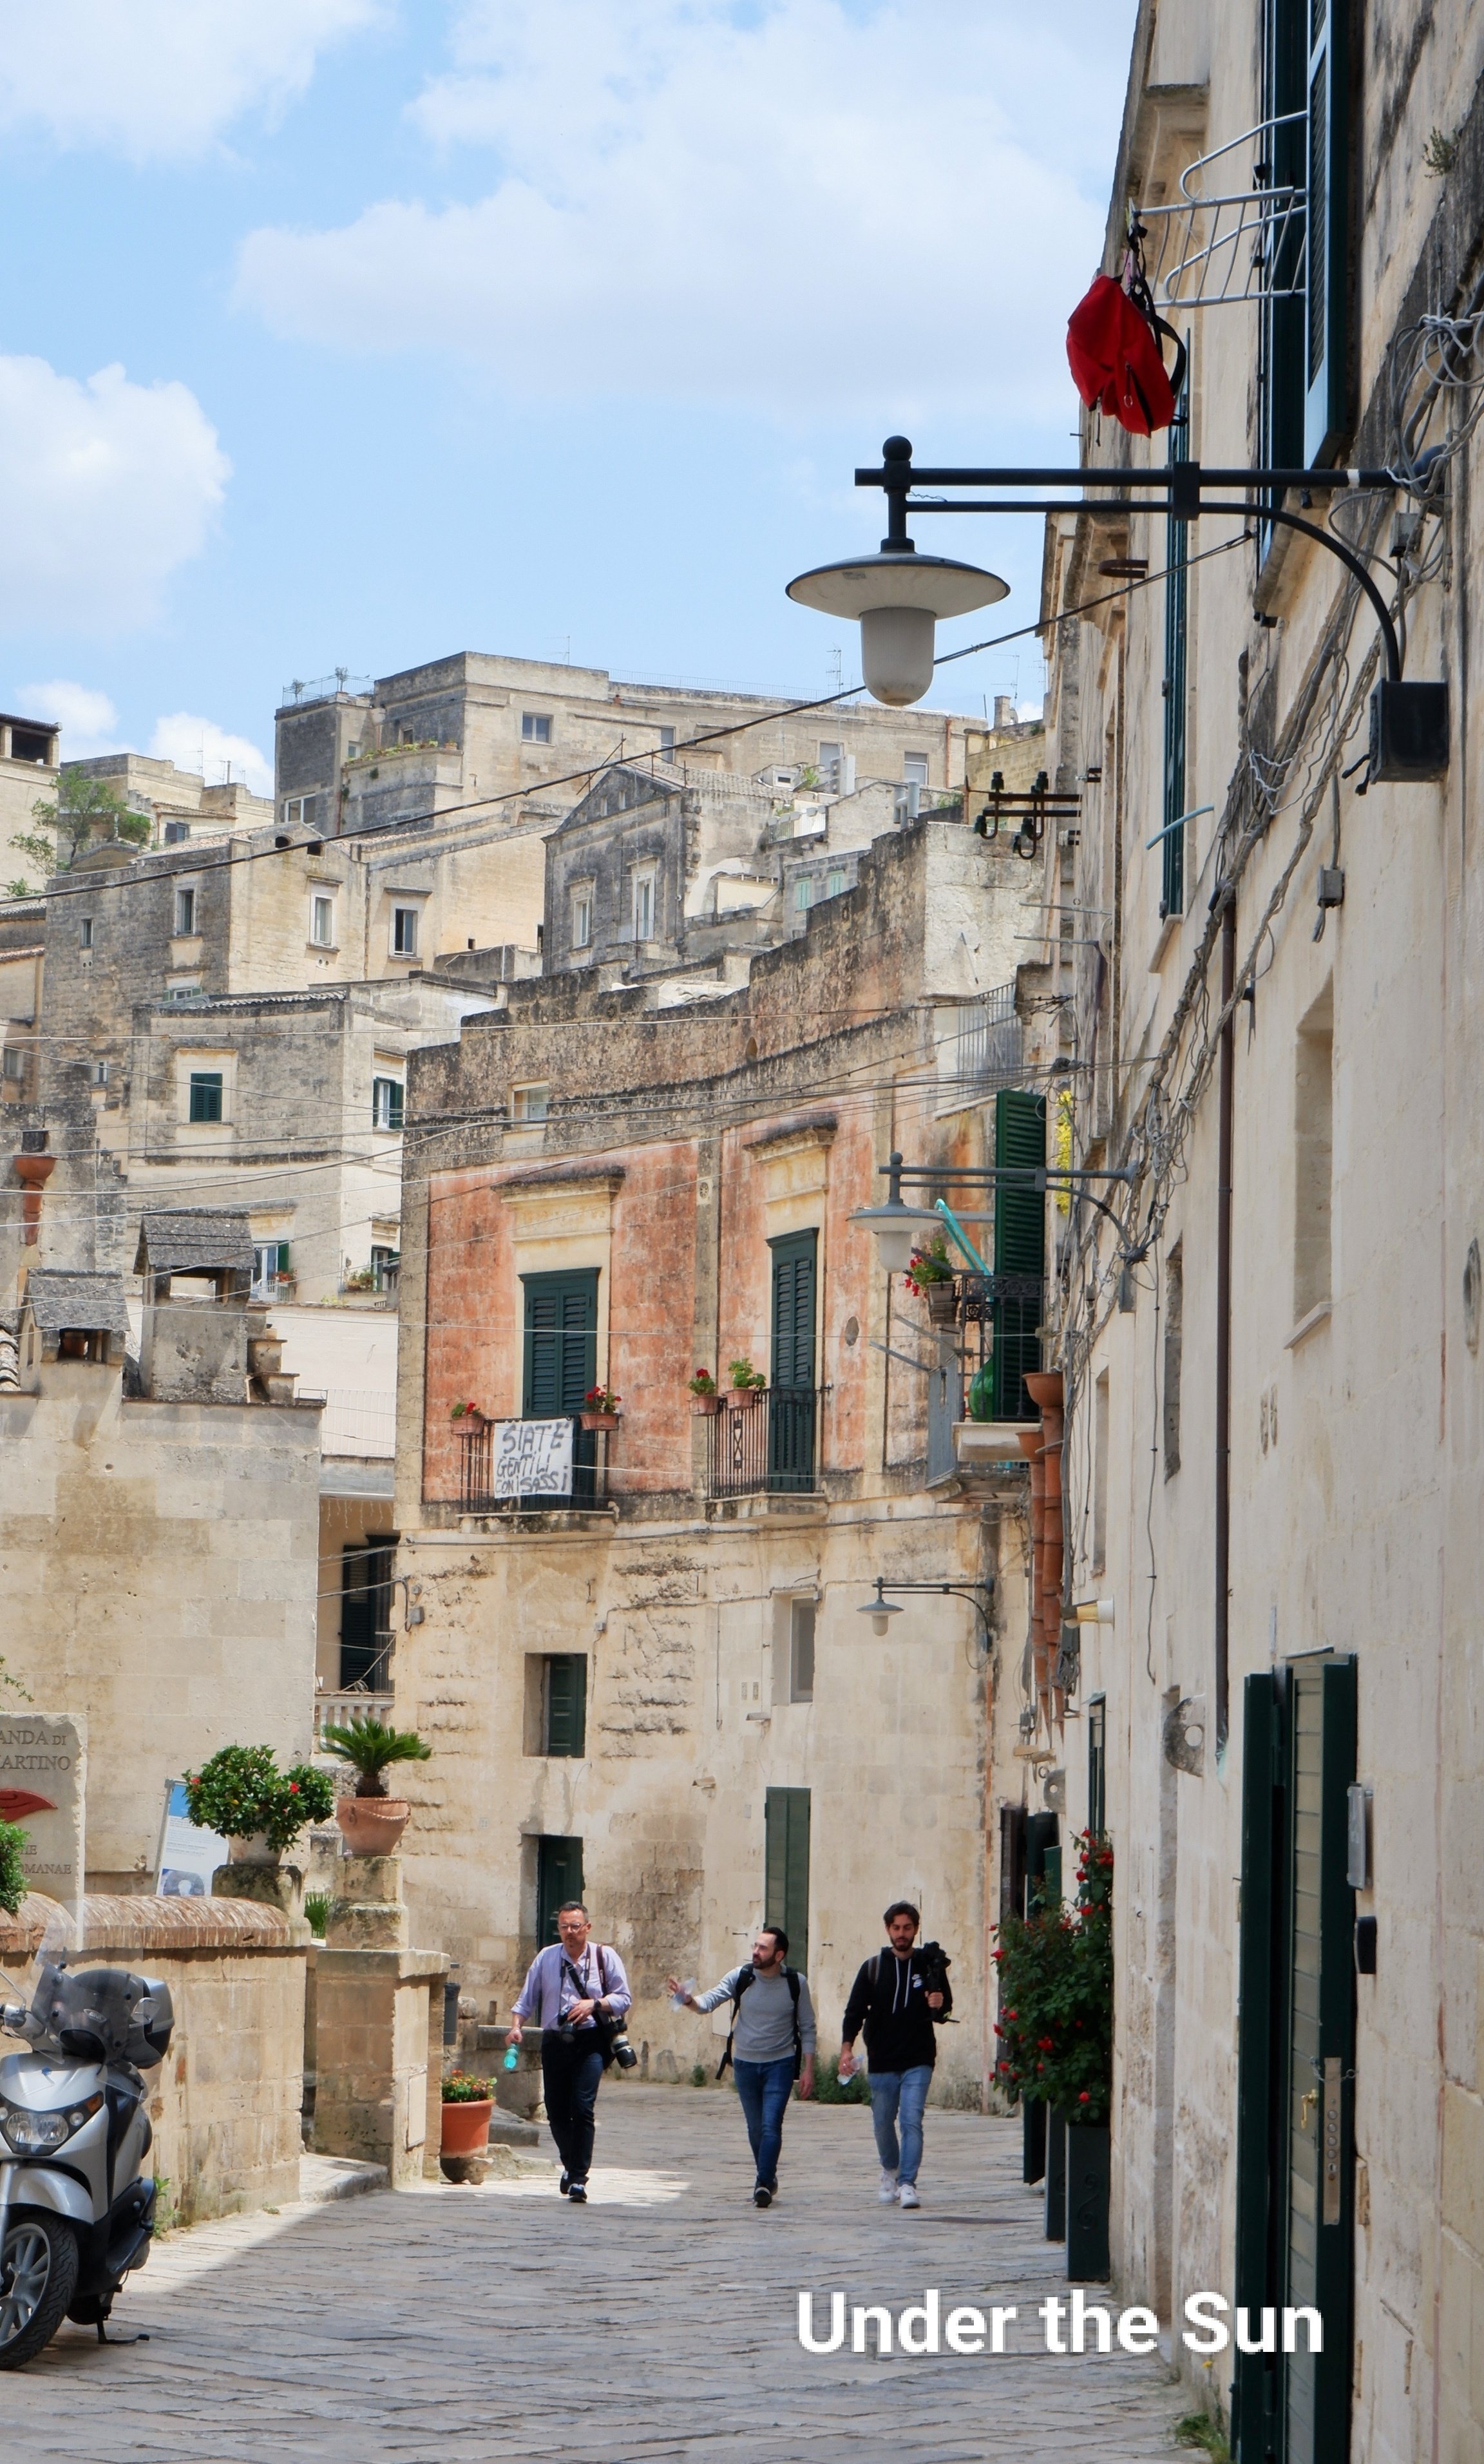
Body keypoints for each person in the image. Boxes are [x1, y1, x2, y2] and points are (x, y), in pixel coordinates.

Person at [668, 1926, 816, 2207]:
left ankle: (762, 2182)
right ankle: (768, 2177)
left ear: (779, 1954)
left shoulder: (796, 1983)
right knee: (756, 2128)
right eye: (755, 1946)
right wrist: (688, 1999)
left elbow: (808, 2027)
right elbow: (707, 2002)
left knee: (771, 2125)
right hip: (746, 2064)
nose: (755, 1952)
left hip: (780, 2064)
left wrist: (808, 2069)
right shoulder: (741, 1977)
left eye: (763, 1948)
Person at [508, 1900, 631, 2205]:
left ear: (587, 1927)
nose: (570, 1932)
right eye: (564, 1927)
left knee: (583, 2106)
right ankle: (570, 2164)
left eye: (576, 1926)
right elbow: (527, 1999)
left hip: (591, 2041)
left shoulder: (605, 1956)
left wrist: (594, 2004)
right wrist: (516, 2026)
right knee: (556, 2109)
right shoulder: (547, 1958)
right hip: (555, 2041)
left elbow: (623, 1997)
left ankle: (578, 2178)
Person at [839, 1900, 953, 2209]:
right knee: (883, 2122)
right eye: (896, 1928)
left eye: (907, 1928)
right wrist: (846, 2048)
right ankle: (891, 2169)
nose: (902, 1934)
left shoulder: (929, 1966)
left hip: (918, 2057)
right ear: (888, 1930)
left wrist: (938, 2002)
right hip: (883, 2059)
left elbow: (943, 2008)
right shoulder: (873, 1968)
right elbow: (854, 2011)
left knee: (912, 2120)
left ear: (915, 1930)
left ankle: (908, 2183)